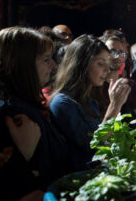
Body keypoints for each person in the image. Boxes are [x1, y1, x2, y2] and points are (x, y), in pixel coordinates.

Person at [0, 26, 73, 201]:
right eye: (45, 59)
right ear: (22, 65)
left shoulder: (23, 104)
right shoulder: (17, 115)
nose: (53, 65)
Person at [49, 35, 131, 166]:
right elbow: (93, 147)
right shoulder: (61, 103)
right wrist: (115, 106)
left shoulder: (89, 100)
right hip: (78, 181)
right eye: (100, 63)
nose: (107, 69)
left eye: (107, 63)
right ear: (82, 64)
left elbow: (107, 142)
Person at [103, 35, 136, 126]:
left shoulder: (130, 85)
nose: (118, 56)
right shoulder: (97, 86)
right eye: (112, 52)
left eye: (121, 53)